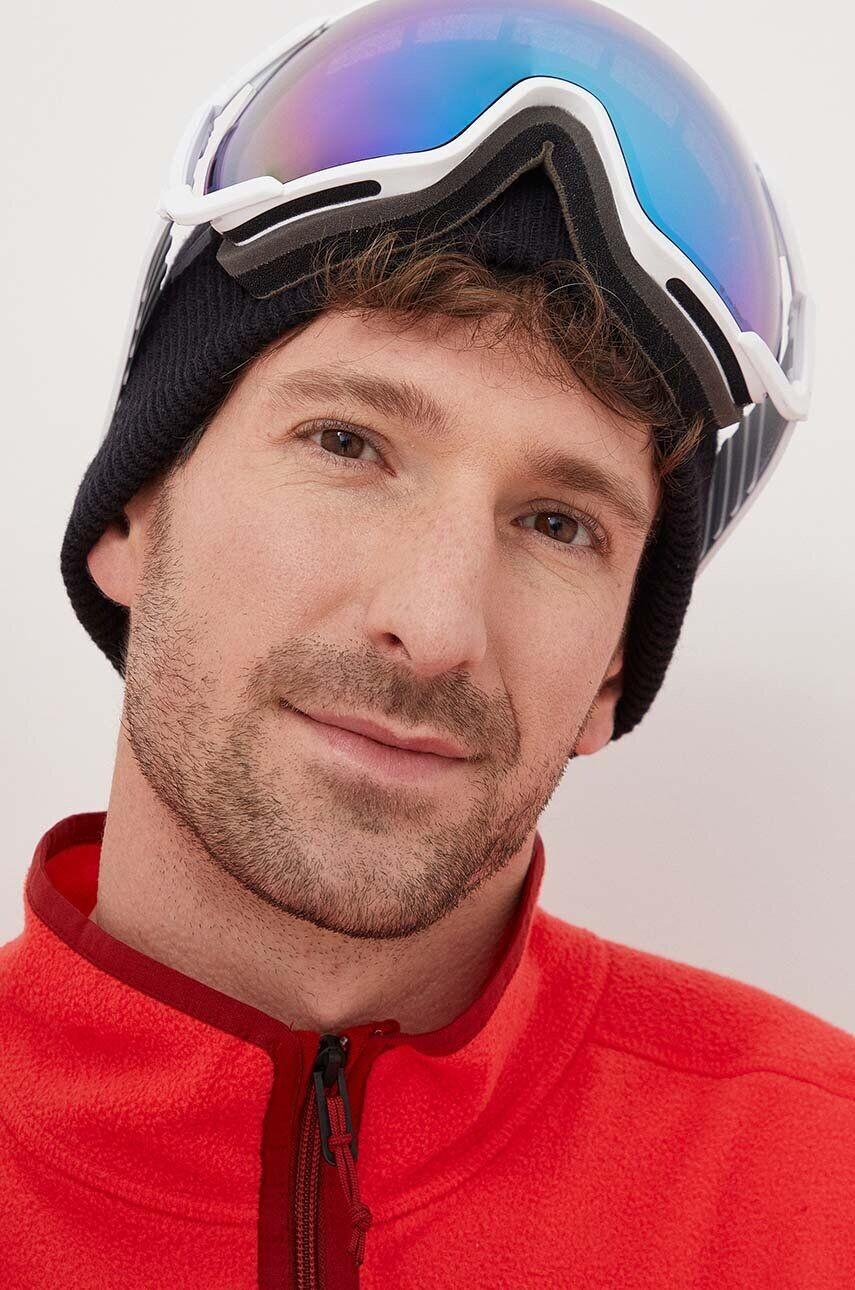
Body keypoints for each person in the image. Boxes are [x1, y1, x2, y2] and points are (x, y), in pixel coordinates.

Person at [2, 1, 851, 1286]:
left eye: (558, 523)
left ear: (614, 671)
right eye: (348, 444)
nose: (437, 625)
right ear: (130, 512)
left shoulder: (822, 1187)